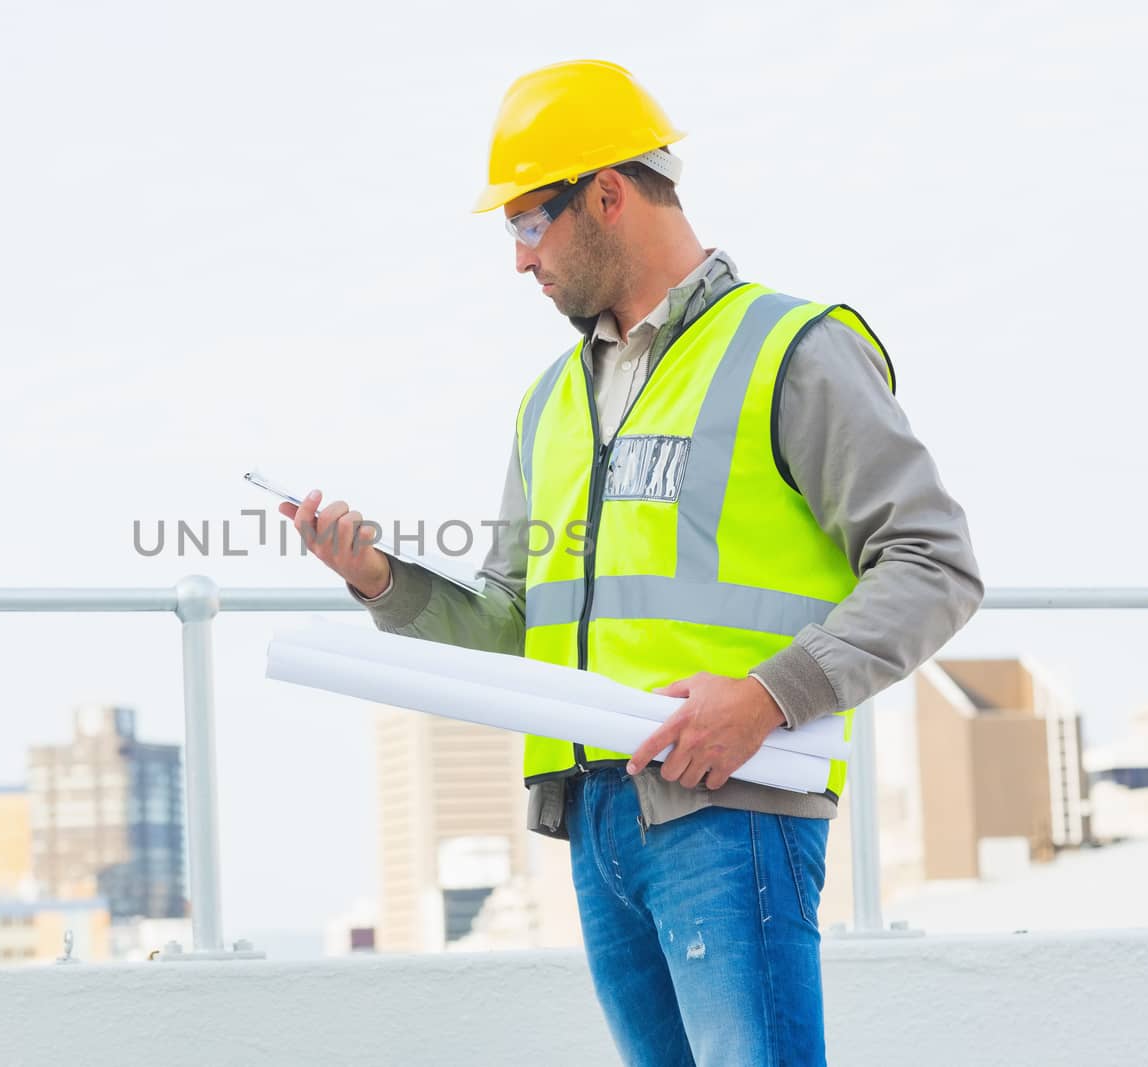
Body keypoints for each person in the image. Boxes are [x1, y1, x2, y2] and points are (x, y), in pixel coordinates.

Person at [279, 59, 983, 1066]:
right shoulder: (551, 402)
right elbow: (512, 620)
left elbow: (933, 561)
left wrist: (768, 694)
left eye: (529, 222)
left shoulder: (790, 348)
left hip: (732, 801)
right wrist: (380, 580)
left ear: (606, 193)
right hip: (599, 813)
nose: (520, 261)